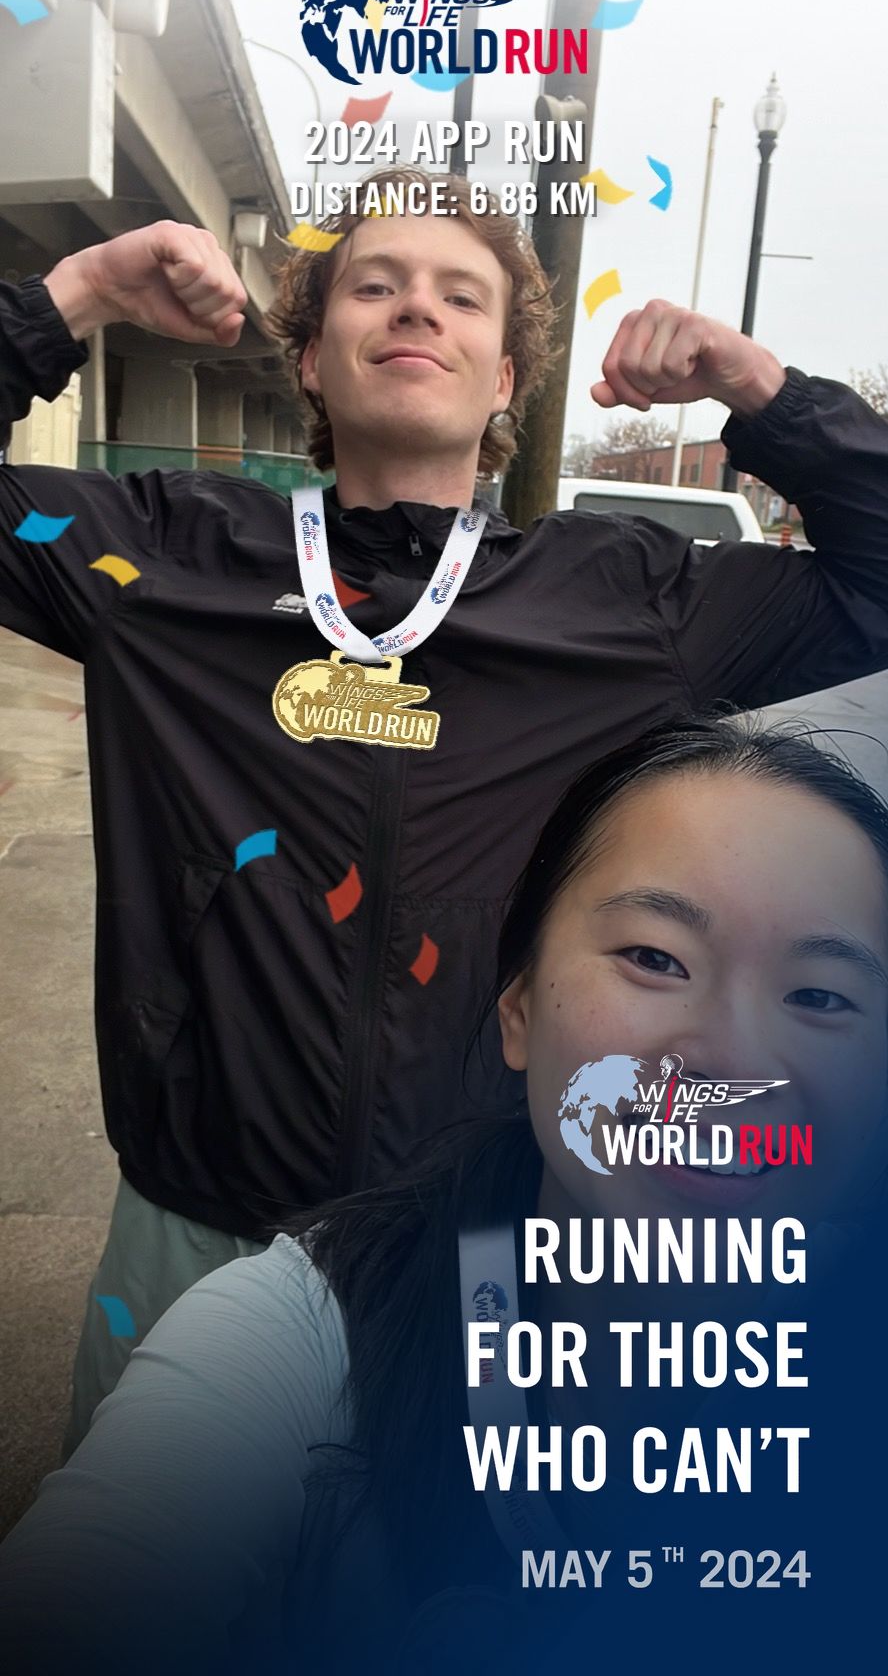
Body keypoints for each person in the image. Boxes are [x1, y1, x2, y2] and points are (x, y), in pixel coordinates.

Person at [4, 166, 888, 1448]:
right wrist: (74, 293)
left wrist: (760, 389)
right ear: (311, 362)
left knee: (445, 1565)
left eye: (461, 296)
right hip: (194, 1222)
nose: (417, 308)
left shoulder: (628, 603)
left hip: (490, 1249)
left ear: (504, 381)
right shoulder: (164, 557)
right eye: (375, 286)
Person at [1, 714, 885, 1673]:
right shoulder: (313, 1330)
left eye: (820, 996)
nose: (732, 1061)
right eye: (655, 957)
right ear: (517, 1007)